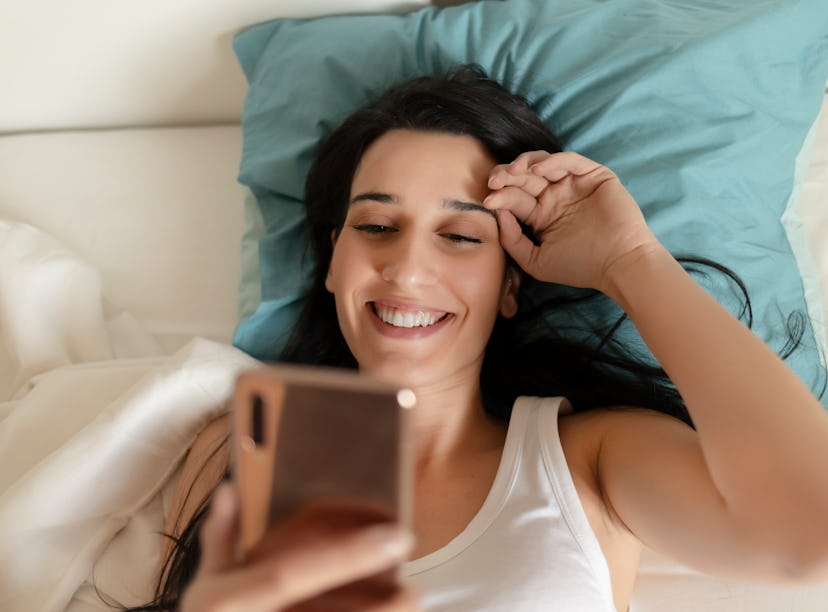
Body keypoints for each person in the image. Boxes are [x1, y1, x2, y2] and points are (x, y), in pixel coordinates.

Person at [130, 65, 828, 612]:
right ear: (335, 261)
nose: (407, 268)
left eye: (460, 236)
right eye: (377, 227)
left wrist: (630, 262)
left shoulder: (588, 460)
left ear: (510, 286)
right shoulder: (240, 446)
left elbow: (811, 532)